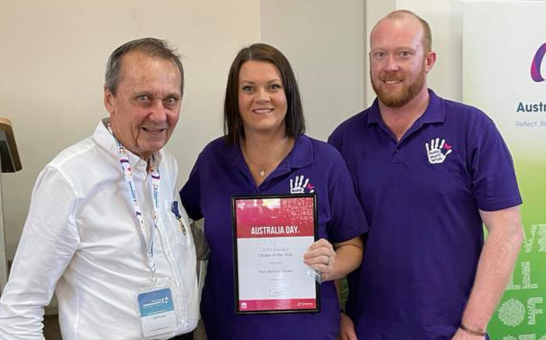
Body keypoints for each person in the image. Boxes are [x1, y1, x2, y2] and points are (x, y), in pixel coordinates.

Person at [329, 10, 524, 340]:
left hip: (454, 334)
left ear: (429, 59)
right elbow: (334, 239)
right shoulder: (344, 140)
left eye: (404, 53)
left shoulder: (472, 129)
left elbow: (507, 230)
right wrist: (337, 313)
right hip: (368, 332)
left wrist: (473, 328)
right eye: (380, 54)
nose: (390, 66)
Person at [0, 38, 199, 340]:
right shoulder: (69, 178)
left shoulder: (165, 164)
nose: (160, 115)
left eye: (171, 100)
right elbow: (20, 305)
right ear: (110, 98)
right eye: (144, 98)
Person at [180, 43, 368, 340]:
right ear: (235, 98)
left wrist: (331, 266)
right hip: (227, 331)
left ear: (288, 94)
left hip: (309, 331)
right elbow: (177, 221)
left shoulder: (326, 161)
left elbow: (353, 247)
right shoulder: (213, 160)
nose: (262, 97)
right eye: (248, 88)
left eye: (273, 86)